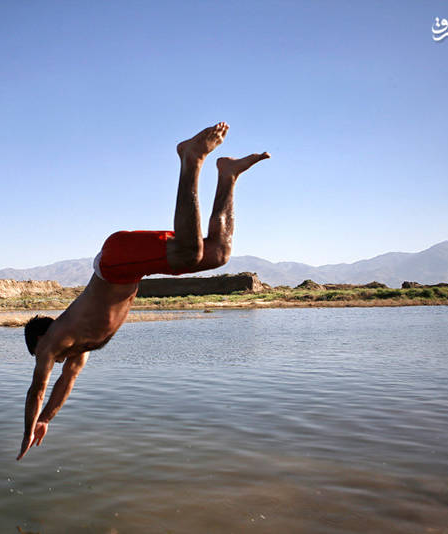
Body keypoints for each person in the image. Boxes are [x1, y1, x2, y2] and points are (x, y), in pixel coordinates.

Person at [17, 122, 269, 460]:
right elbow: (65, 384)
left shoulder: (52, 342)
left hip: (115, 263)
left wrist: (27, 430)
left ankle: (191, 158)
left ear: (40, 344)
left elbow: (38, 388)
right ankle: (228, 175)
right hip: (131, 268)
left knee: (188, 253)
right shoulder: (78, 349)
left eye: (47, 358)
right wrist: (46, 420)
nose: (55, 361)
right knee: (218, 253)